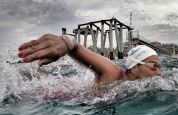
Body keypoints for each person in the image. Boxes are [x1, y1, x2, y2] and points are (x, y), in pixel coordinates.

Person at [18, 34, 161, 83]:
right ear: (135, 67)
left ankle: (35, 74)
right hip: (62, 97)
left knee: (46, 79)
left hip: (78, 91)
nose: (159, 72)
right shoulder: (113, 73)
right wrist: (66, 42)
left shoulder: (135, 85)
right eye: (155, 66)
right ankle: (29, 72)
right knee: (39, 81)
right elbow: (75, 46)